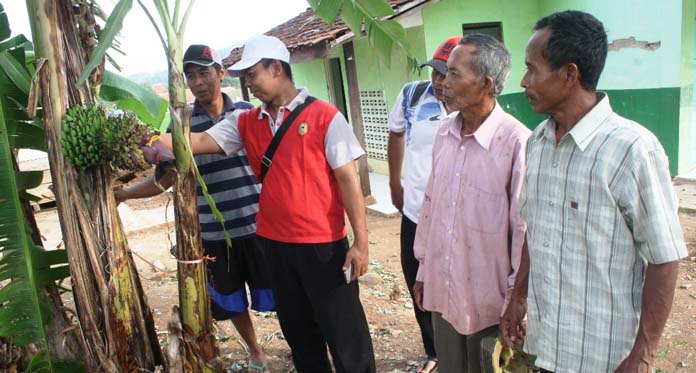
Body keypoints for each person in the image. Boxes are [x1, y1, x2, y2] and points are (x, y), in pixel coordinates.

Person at [139, 35, 375, 372]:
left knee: (345, 335)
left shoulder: (325, 116)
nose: (248, 83)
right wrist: (145, 137)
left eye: (253, 74)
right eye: (245, 76)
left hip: (323, 246)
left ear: (276, 69)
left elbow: (349, 180)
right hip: (275, 246)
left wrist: (361, 242)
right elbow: (200, 141)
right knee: (300, 334)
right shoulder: (246, 121)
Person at [499, 11, 688, 373]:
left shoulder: (632, 149)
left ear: (570, 74)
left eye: (532, 69)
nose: (524, 81)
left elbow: (664, 258)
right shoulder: (537, 142)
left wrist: (644, 355)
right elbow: (532, 229)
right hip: (544, 346)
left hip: (604, 358)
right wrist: (518, 297)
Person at [115, 44, 273, 372]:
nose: (197, 81)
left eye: (204, 72)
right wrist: (126, 194)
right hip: (214, 233)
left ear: (221, 73)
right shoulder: (181, 124)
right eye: (190, 75)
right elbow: (167, 179)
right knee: (231, 301)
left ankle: (301, 343)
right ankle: (256, 351)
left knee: (281, 291)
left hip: (259, 227)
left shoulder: (247, 112)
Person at [412, 34, 530, 372]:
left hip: (491, 304)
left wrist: (515, 300)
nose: (442, 83)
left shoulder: (516, 142)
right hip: (446, 290)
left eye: (453, 74)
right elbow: (432, 207)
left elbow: (521, 231)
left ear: (485, 83)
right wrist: (424, 270)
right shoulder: (444, 133)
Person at [387, 35, 461, 373]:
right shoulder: (412, 95)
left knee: (455, 283)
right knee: (416, 281)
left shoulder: (470, 104)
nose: (439, 81)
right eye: (435, 72)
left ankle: (459, 348)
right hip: (416, 211)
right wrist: (394, 181)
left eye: (447, 73)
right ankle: (434, 350)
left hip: (455, 218)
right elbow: (396, 133)